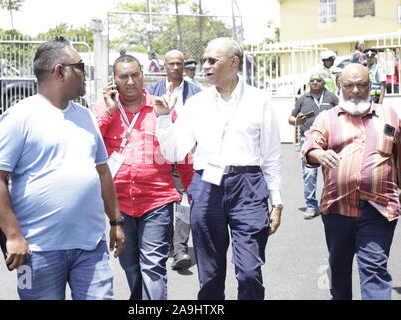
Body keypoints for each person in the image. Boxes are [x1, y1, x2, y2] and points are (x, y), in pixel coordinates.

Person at [0, 37, 125, 300]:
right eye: (80, 66)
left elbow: (102, 171)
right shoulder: (19, 117)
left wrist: (115, 221)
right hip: (37, 251)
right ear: (60, 71)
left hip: (91, 247)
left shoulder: (86, 116)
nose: (85, 73)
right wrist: (13, 236)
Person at [154, 38, 283, 300]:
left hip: (248, 187)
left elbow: (271, 155)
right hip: (206, 186)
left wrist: (276, 201)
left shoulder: (259, 101)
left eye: (213, 60)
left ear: (234, 62)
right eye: (203, 61)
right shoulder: (197, 104)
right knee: (210, 275)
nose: (205, 66)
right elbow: (175, 152)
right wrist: (164, 119)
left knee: (249, 272)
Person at [92, 54, 194, 300]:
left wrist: (192, 192)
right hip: (119, 205)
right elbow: (89, 145)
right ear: (113, 80)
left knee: (153, 267)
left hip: (156, 201)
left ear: (143, 76)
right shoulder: (104, 110)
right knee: (130, 267)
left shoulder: (160, 106)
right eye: (123, 76)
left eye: (135, 75)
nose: (130, 82)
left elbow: (180, 153)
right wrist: (108, 112)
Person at [301, 63, 400, 300]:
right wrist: (318, 154)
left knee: (374, 271)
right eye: (349, 86)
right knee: (340, 271)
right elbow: (310, 146)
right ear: (339, 86)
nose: (355, 91)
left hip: (379, 208)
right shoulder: (327, 118)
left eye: (362, 85)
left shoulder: (389, 115)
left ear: (370, 87)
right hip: (338, 209)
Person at [147, 50, 200, 270]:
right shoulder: (152, 91)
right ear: (164, 66)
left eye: (180, 63)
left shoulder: (196, 93)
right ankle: (164, 244)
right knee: (161, 202)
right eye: (171, 64)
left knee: (184, 203)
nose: (176, 68)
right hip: (159, 156)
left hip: (185, 157)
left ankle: (180, 249)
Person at [288, 72, 339, 219]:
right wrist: (297, 120)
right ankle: (311, 205)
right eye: (312, 80)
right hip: (308, 142)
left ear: (323, 83)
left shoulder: (332, 97)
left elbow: (342, 114)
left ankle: (332, 203)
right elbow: (291, 118)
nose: (315, 82)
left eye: (318, 80)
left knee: (333, 173)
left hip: (330, 141)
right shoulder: (302, 99)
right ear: (309, 83)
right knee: (309, 174)